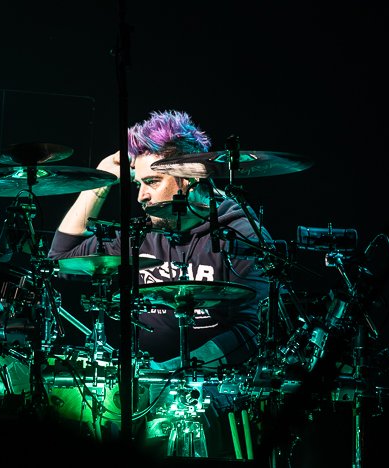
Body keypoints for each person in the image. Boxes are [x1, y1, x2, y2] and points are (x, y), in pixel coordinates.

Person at [47, 110, 274, 459]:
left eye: (151, 182)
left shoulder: (241, 233)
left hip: (219, 387)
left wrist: (172, 375)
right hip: (144, 382)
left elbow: (253, 330)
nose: (140, 197)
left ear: (191, 177)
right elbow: (61, 261)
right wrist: (101, 181)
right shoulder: (141, 235)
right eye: (138, 184)